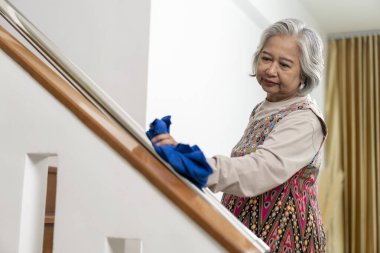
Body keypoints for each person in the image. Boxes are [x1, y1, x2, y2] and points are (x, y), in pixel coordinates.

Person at [151, 18, 327, 253]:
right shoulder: (263, 108)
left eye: (284, 65)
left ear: (304, 74)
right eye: (266, 58)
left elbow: (260, 169)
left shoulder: (305, 119)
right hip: (248, 231)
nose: (270, 70)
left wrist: (199, 166)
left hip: (284, 240)